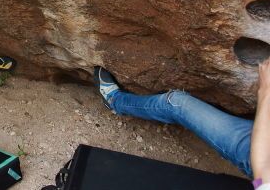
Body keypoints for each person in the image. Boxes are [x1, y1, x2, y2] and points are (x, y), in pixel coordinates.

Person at [94, 62, 270, 187]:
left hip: (257, 151)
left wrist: (266, 91)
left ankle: (115, 101)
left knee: (177, 103)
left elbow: (261, 173)